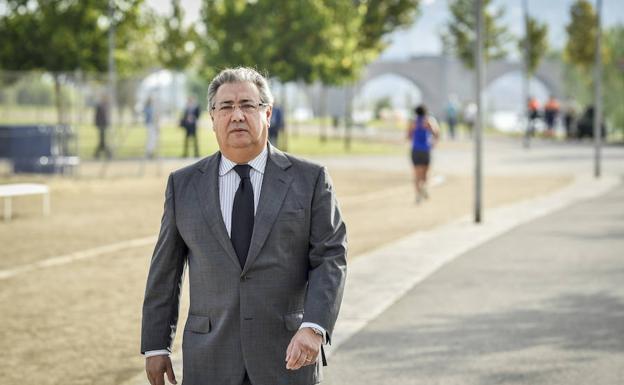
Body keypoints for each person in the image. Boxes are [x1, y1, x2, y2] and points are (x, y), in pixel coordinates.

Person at [141, 67, 347, 385]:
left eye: (247, 105)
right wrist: (156, 344)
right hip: (209, 358)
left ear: (268, 112)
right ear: (212, 118)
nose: (236, 115)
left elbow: (331, 257)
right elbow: (165, 272)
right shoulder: (182, 185)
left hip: (287, 356)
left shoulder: (310, 179)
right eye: (226, 107)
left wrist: (314, 326)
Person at [407, 104, 439, 203]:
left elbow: (408, 136)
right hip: (426, 150)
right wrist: (433, 143)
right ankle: (424, 187)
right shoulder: (429, 121)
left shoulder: (413, 122)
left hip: (416, 150)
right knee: (425, 173)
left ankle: (417, 194)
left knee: (417, 174)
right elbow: (436, 133)